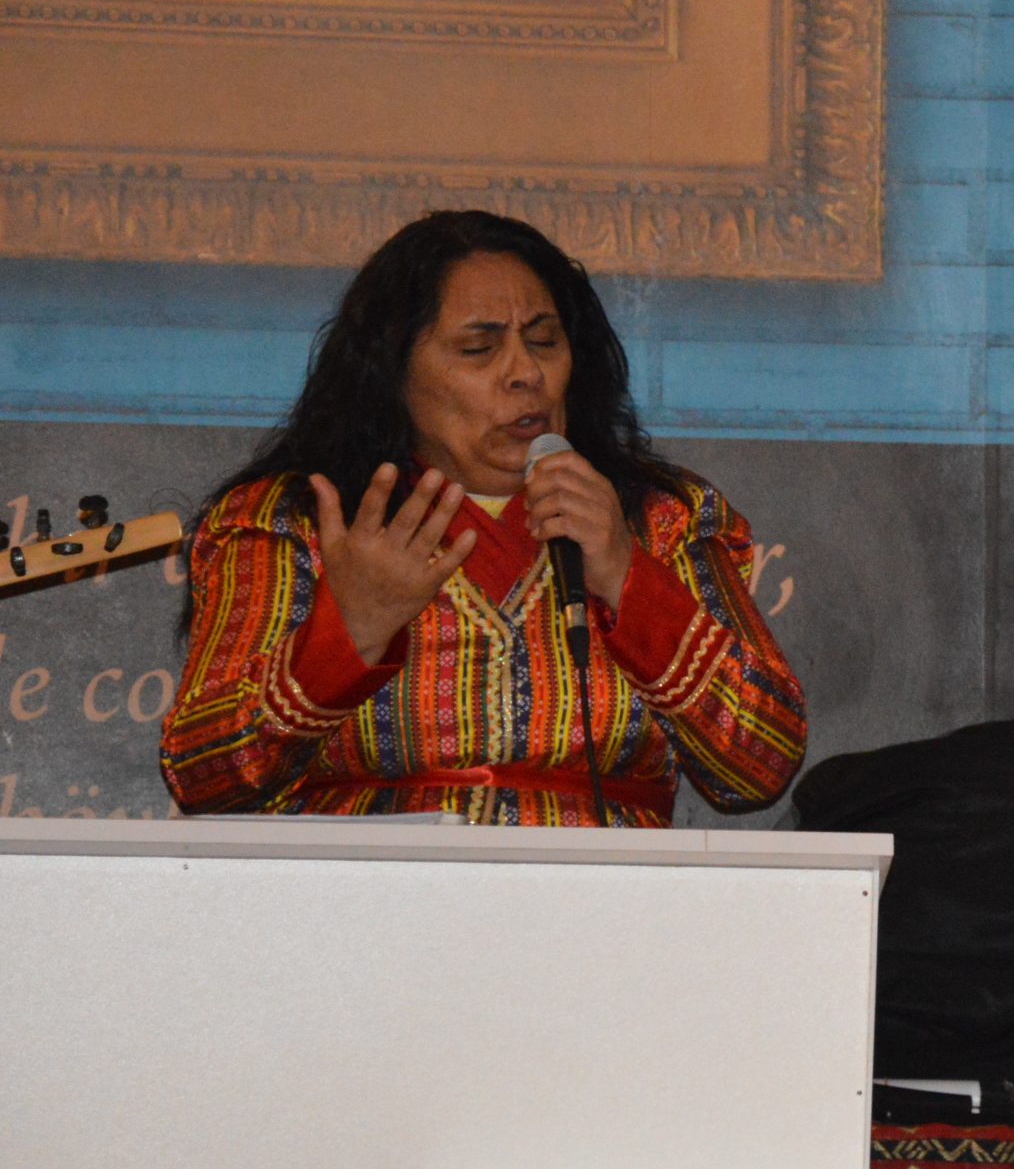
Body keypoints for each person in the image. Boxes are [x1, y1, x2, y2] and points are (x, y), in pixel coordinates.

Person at [160, 208, 806, 826]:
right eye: (478, 348)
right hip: (366, 894)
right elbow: (202, 774)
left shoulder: (658, 518)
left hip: (605, 895)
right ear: (391, 372)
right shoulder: (297, 520)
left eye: (544, 341)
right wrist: (346, 634)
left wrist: (627, 577)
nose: (526, 373)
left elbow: (761, 766)